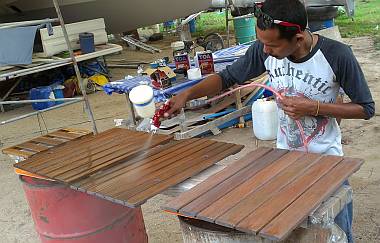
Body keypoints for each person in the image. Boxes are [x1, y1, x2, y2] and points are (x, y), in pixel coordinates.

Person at [164, 0, 375, 241]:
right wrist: (187, 94)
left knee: (337, 233)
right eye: (262, 42)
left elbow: (366, 108)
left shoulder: (337, 55)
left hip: (328, 163)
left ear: (297, 38)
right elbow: (227, 77)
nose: (265, 51)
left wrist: (314, 107)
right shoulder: (264, 49)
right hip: (285, 160)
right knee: (292, 229)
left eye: (272, 45)